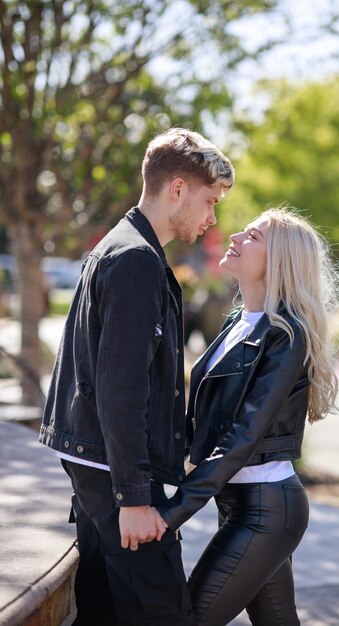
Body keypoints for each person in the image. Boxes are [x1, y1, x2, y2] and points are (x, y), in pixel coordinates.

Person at [39, 127, 234, 626]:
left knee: (105, 612)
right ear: (177, 190)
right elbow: (120, 389)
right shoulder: (135, 261)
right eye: (209, 201)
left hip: (101, 469)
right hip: (116, 478)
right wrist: (134, 497)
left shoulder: (121, 247)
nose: (212, 217)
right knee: (161, 612)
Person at [157, 207, 339, 626]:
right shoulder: (238, 324)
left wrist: (174, 512)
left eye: (254, 236)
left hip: (266, 510)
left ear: (279, 261)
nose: (236, 236)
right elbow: (204, 418)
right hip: (240, 503)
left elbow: (243, 434)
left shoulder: (287, 334)